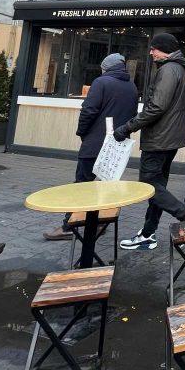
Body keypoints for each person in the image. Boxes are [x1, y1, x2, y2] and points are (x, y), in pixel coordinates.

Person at [44, 53, 140, 241]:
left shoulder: (101, 82)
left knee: (82, 185)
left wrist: (82, 132)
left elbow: (89, 110)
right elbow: (132, 114)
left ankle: (69, 226)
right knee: (107, 185)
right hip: (117, 145)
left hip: (95, 142)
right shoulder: (132, 86)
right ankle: (99, 222)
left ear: (106, 68)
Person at [114, 33, 185, 250]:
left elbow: (156, 107)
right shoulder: (179, 69)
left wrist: (127, 127)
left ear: (164, 50)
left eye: (154, 49)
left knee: (149, 186)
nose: (151, 52)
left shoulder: (169, 70)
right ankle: (148, 233)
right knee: (158, 188)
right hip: (170, 138)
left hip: (160, 138)